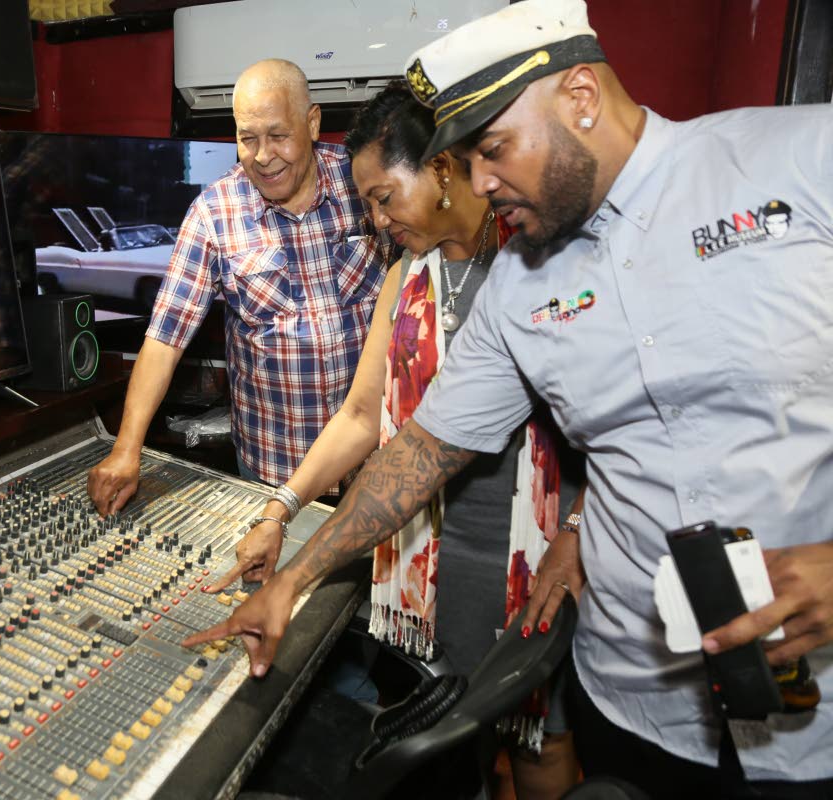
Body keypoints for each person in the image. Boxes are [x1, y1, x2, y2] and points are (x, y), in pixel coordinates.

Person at [184, 1, 833, 797]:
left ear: (582, 99)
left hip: (817, 733)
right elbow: (421, 451)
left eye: (493, 150)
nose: (480, 183)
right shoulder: (521, 285)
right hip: (630, 709)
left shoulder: (801, 161)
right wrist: (293, 576)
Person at [203, 83, 581, 798]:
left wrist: (581, 527)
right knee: (449, 741)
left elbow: (603, 425)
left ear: (440, 171)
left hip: (530, 553)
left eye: (383, 196)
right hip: (423, 553)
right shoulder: (406, 276)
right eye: (367, 203)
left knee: (537, 739)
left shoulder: (536, 260)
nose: (375, 218)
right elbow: (360, 415)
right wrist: (281, 506)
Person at [87, 59, 389, 513]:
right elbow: (165, 338)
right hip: (274, 468)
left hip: (376, 461)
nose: (263, 156)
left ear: (312, 122)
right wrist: (127, 449)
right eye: (248, 139)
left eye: (278, 136)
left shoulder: (361, 183)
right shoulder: (214, 213)